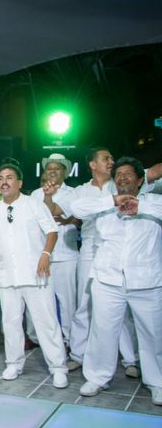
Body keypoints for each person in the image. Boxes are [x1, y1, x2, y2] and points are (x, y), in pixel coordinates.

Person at [0, 163, 69, 389]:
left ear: (20, 183)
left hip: (36, 275)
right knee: (10, 323)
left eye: (10, 177)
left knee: (46, 323)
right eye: (1, 178)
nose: (4, 181)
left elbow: (52, 232)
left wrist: (45, 254)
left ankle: (58, 367)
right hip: (8, 277)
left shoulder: (34, 204)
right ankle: (14, 362)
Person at [71, 157, 162, 405]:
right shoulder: (104, 204)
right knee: (103, 330)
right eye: (118, 174)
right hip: (107, 279)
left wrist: (138, 206)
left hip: (146, 281)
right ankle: (97, 378)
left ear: (140, 180)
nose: (122, 177)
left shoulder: (154, 203)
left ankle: (158, 383)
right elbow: (76, 209)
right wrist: (113, 200)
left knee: (153, 334)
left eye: (128, 174)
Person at [51, 147, 140, 377]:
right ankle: (78, 355)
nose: (111, 162)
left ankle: (129, 358)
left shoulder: (119, 184)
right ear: (92, 164)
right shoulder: (81, 191)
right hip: (89, 252)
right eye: (105, 159)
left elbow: (149, 177)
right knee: (85, 304)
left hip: (116, 252)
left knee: (121, 305)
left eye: (111, 158)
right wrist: (48, 196)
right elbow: (59, 210)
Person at [32, 153, 79, 349]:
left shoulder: (73, 194)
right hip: (40, 257)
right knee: (42, 304)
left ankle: (70, 341)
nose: (52, 171)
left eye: (57, 168)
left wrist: (49, 198)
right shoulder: (35, 194)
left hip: (65, 256)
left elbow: (52, 212)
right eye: (49, 168)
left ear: (65, 173)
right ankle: (41, 340)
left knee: (68, 303)